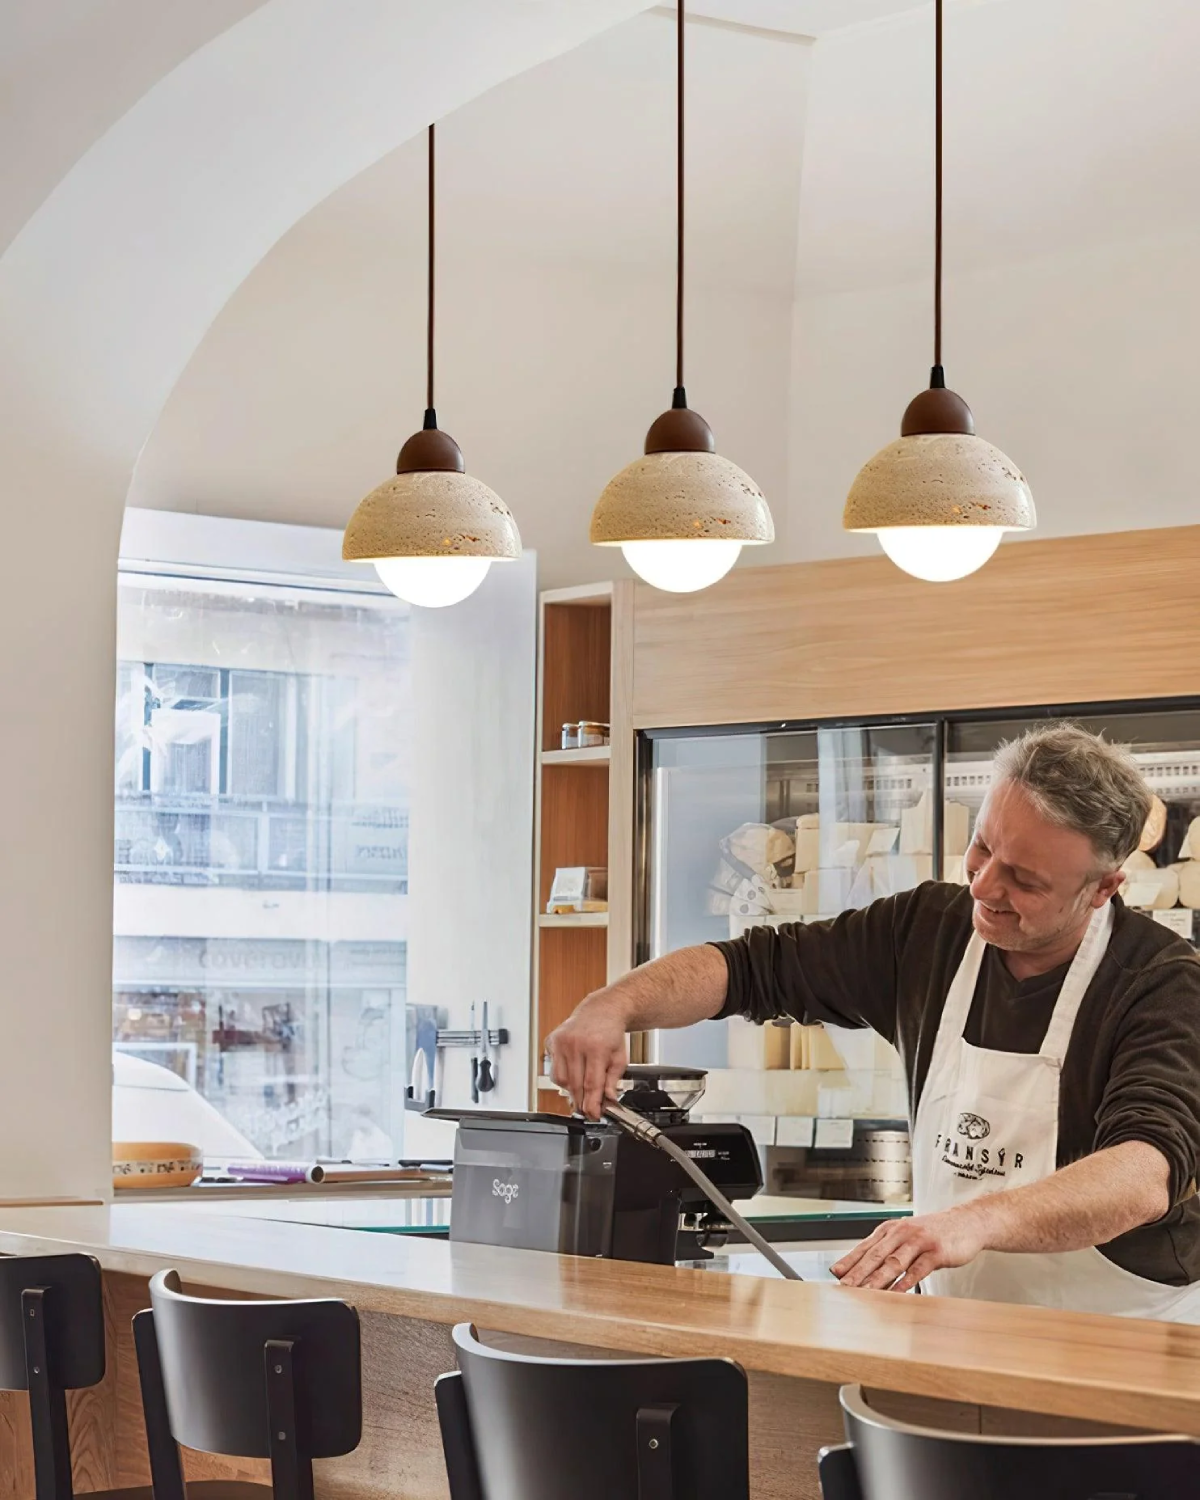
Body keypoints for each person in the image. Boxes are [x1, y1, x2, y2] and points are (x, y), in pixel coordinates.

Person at [546, 723, 1200, 1319]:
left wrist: (971, 1223)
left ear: (1103, 888)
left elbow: (1144, 1173)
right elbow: (750, 968)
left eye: (1024, 881)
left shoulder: (1164, 983)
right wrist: (613, 1006)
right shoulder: (927, 930)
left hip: (1124, 1334)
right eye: (982, 848)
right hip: (961, 1325)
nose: (983, 887)